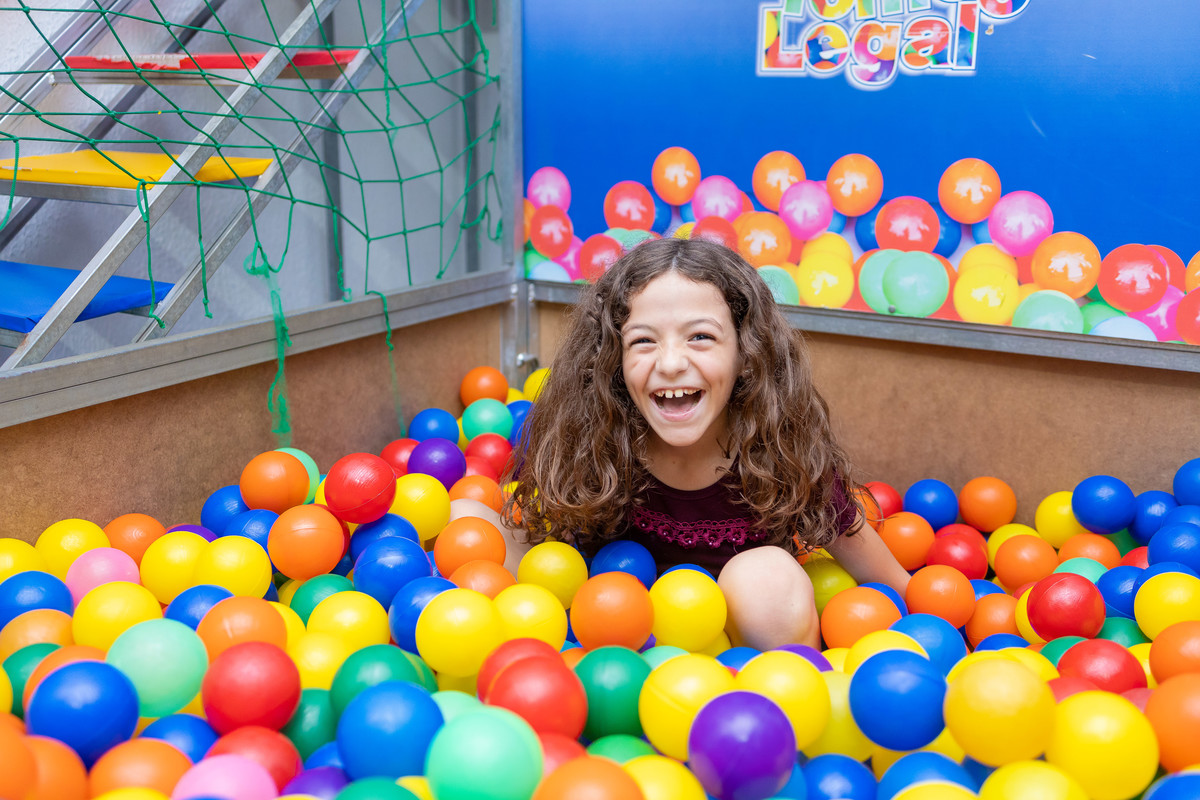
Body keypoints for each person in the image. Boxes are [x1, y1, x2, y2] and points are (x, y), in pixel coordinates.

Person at [501, 236, 910, 650]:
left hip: (746, 675)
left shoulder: (786, 455)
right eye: (643, 341)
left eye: (700, 337)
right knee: (473, 518)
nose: (672, 363)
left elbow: (894, 587)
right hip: (610, 658)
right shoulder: (584, 441)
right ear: (611, 360)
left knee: (765, 576)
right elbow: (528, 558)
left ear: (747, 353)